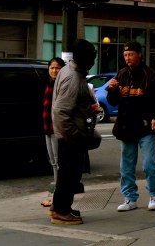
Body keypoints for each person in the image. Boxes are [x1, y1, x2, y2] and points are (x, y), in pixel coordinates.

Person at [107, 40, 155, 212]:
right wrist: (112, 90)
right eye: (125, 55)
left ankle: (154, 194)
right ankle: (129, 198)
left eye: (131, 54)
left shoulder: (149, 75)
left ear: (139, 54)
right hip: (126, 127)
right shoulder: (121, 74)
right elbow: (113, 101)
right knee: (126, 166)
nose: (127, 58)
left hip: (145, 127)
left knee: (149, 164)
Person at [50, 40, 97, 225]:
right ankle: (61, 210)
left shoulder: (71, 71)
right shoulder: (73, 78)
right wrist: (76, 136)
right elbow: (61, 112)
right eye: (92, 57)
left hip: (69, 134)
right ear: (85, 59)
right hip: (70, 137)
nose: (93, 61)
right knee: (70, 175)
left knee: (67, 174)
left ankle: (59, 206)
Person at [40, 57, 65, 208]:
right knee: (53, 162)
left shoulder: (61, 84)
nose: (54, 70)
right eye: (52, 68)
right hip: (47, 128)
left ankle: (59, 196)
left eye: (57, 68)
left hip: (57, 129)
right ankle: (56, 194)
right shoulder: (48, 83)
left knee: (58, 162)